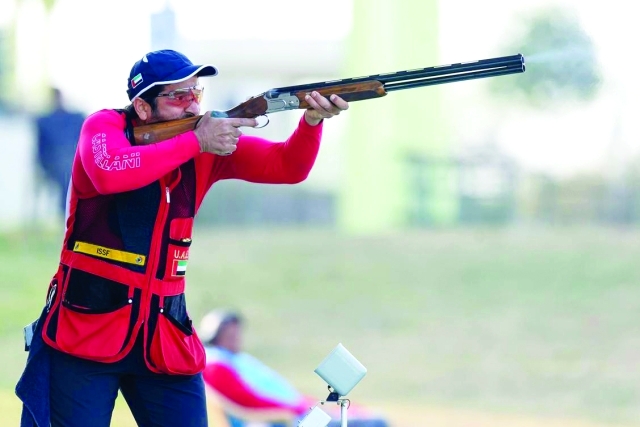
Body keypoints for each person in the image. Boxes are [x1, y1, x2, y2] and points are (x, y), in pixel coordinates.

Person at [15, 49, 349, 427]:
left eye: (196, 93)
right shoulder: (105, 127)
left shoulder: (205, 144)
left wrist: (312, 122)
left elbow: (288, 167)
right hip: (86, 331)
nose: (193, 106)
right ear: (142, 107)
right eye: (179, 97)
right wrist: (196, 142)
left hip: (164, 340)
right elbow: (110, 171)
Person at [200, 310, 390, 427]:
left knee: (363, 415)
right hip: (288, 420)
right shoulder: (217, 365)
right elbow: (249, 401)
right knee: (375, 422)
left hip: (295, 413)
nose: (236, 337)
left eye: (237, 332)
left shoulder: (234, 360)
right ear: (215, 335)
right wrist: (300, 409)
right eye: (230, 333)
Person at [34, 87, 86, 216]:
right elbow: (41, 150)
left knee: (68, 166)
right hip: (54, 164)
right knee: (65, 169)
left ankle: (70, 209)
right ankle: (68, 209)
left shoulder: (76, 118)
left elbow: (83, 142)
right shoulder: (44, 121)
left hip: (74, 161)